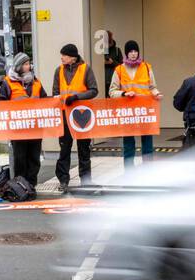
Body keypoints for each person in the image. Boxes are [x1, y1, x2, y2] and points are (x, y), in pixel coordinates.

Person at [52, 43, 99, 193]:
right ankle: (63, 180)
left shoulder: (86, 69)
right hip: (65, 115)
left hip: (82, 116)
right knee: (64, 149)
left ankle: (85, 180)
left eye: (64, 55)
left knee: (83, 149)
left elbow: (94, 90)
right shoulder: (58, 71)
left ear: (72, 57)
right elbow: (55, 93)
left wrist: (76, 97)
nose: (61, 57)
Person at [0, 52, 47, 190]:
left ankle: (31, 185)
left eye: (29, 63)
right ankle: (20, 185)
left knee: (34, 159)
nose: (29, 66)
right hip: (17, 128)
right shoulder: (8, 82)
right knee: (20, 159)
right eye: (25, 64)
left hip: (35, 127)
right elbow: (0, 102)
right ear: (19, 66)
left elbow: (45, 100)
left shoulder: (36, 82)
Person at [108, 39, 161, 168]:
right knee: (128, 143)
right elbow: (112, 91)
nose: (133, 54)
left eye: (135, 51)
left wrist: (156, 93)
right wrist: (124, 94)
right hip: (128, 111)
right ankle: (129, 171)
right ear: (126, 53)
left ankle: (147, 169)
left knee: (147, 141)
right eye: (130, 51)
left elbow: (152, 87)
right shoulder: (119, 69)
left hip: (144, 111)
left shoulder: (147, 67)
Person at [103, 31, 122, 95]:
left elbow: (121, 66)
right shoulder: (101, 51)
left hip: (114, 80)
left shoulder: (117, 50)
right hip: (103, 80)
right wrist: (103, 63)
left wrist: (112, 62)